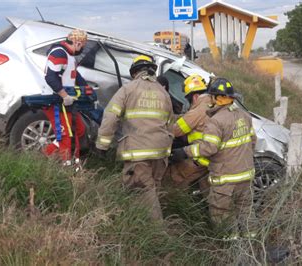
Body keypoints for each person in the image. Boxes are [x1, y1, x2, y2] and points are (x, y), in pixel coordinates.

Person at [171, 78, 256, 238]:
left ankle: (230, 253)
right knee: (246, 214)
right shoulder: (244, 116)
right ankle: (252, 248)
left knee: (223, 216)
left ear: (216, 98)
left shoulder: (216, 121)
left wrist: (184, 152)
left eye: (210, 97)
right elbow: (252, 142)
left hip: (226, 180)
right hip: (246, 176)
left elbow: (208, 148)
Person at [95, 55, 173, 222]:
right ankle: (139, 223)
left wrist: (102, 145)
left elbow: (111, 116)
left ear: (134, 72)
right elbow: (169, 123)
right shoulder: (163, 92)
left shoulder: (128, 89)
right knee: (152, 191)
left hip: (138, 153)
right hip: (161, 153)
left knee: (143, 194)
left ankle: (157, 237)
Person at [42, 29, 89, 167]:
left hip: (66, 101)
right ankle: (66, 167)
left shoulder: (70, 56)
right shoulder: (59, 53)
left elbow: (75, 76)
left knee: (79, 130)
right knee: (65, 136)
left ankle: (47, 154)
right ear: (77, 42)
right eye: (82, 45)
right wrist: (64, 95)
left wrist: (87, 89)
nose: (82, 48)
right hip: (56, 101)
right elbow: (50, 77)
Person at [169, 75, 211, 189]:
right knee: (206, 189)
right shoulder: (211, 104)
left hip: (200, 157)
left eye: (188, 99)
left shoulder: (199, 109)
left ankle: (170, 202)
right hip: (213, 158)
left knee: (174, 177)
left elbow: (176, 130)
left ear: (195, 96)